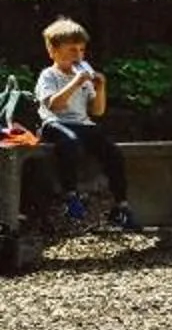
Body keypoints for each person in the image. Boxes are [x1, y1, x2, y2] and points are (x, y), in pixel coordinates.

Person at [35, 18, 137, 228]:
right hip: (56, 123)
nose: (78, 56)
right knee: (70, 142)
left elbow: (97, 111)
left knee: (113, 152)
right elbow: (54, 105)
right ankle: (70, 194)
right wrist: (76, 82)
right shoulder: (48, 75)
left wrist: (100, 88)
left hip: (84, 124)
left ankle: (121, 205)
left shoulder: (83, 78)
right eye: (72, 50)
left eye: (81, 50)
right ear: (53, 51)